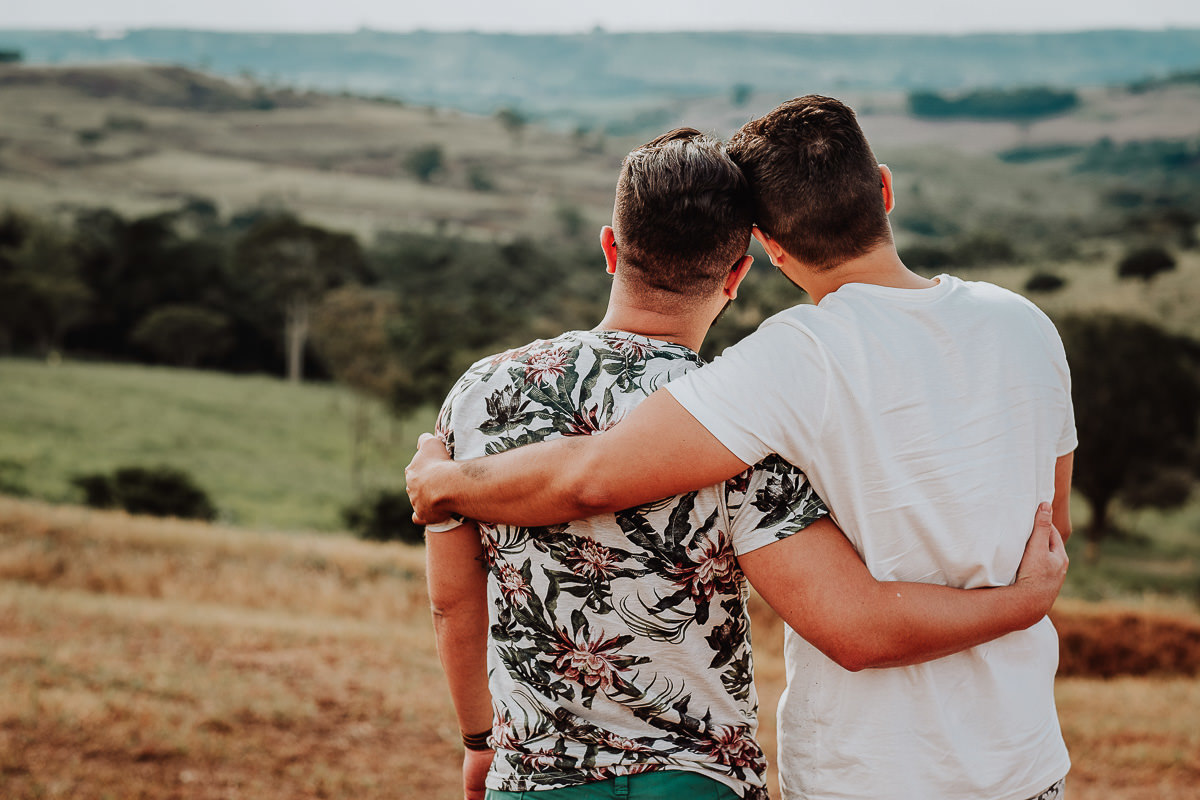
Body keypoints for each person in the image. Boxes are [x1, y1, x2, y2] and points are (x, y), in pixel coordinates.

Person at [421, 125, 1068, 800]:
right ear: (738, 272)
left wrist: (480, 740)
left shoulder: (480, 394)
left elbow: (453, 599)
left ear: (611, 248)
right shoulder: (736, 419)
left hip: (535, 776)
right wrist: (1022, 600)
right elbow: (857, 614)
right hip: (704, 780)